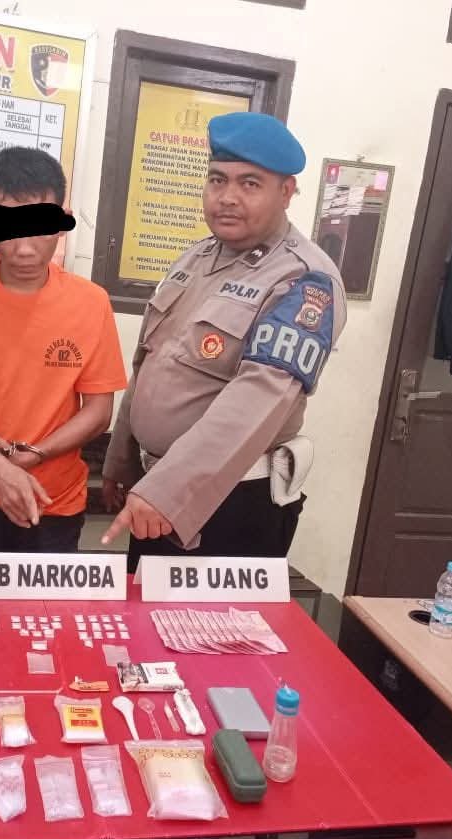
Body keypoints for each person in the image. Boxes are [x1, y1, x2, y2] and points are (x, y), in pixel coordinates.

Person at [101, 112, 348, 571]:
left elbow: (258, 398)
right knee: (147, 615)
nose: (227, 197)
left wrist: (166, 492)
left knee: (205, 622)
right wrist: (122, 459)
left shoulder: (304, 278)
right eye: (217, 180)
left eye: (249, 184)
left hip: (230, 502)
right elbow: (151, 363)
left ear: (286, 192)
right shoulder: (196, 258)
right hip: (157, 490)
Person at [0, 147, 128, 564]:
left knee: (40, 604)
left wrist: (32, 456)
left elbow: (98, 411)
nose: (25, 249)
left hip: (52, 494)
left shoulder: (91, 303)